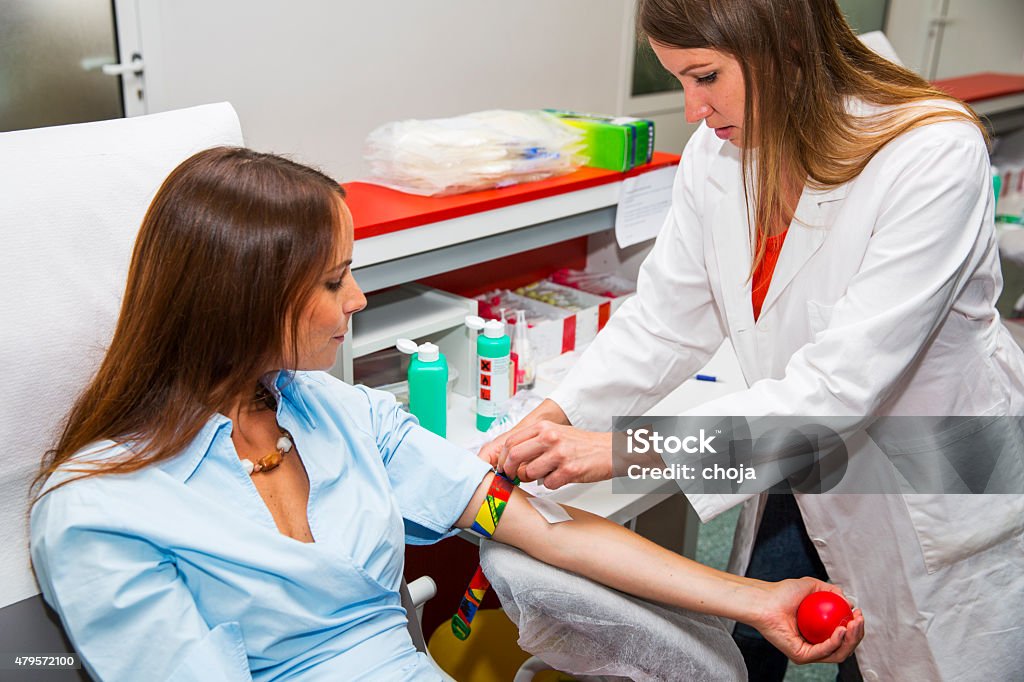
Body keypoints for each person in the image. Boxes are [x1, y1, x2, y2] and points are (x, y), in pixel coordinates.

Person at [29, 147, 862, 681]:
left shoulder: (344, 417)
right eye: (331, 281)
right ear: (241, 301)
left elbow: (544, 529)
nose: (354, 300)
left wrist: (755, 600)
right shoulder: (102, 511)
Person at [479, 0, 1024, 680]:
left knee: (922, 655)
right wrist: (555, 413)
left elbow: (837, 391)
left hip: (934, 471)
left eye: (705, 76)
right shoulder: (722, 153)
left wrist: (619, 450)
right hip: (800, 455)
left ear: (783, 44)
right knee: (760, 623)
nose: (694, 108)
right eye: (680, 80)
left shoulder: (930, 154)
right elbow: (666, 319)